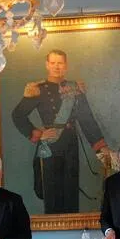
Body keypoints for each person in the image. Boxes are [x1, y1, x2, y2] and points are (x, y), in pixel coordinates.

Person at [10, 49, 110, 214]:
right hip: (50, 146)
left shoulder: (75, 89)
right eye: (53, 63)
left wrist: (101, 148)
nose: (57, 67)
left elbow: (87, 120)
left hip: (71, 144)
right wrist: (38, 133)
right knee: (51, 191)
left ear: (66, 66)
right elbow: (18, 115)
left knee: (71, 190)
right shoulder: (38, 89)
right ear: (47, 65)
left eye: (60, 63)